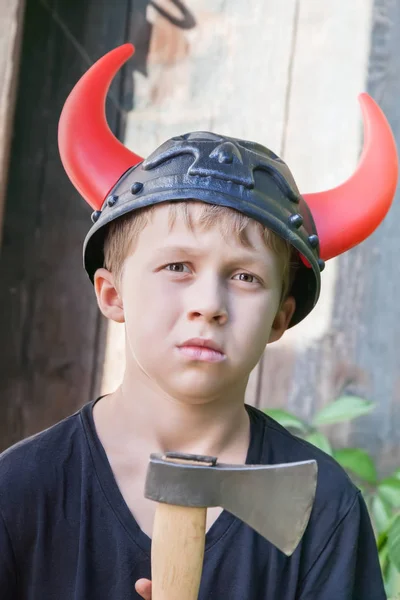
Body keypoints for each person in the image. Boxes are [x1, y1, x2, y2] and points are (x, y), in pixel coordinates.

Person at [0, 44, 397, 600]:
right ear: (112, 294)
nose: (208, 302)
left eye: (246, 277)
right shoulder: (18, 493)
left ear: (282, 317)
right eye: (177, 266)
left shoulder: (321, 507)